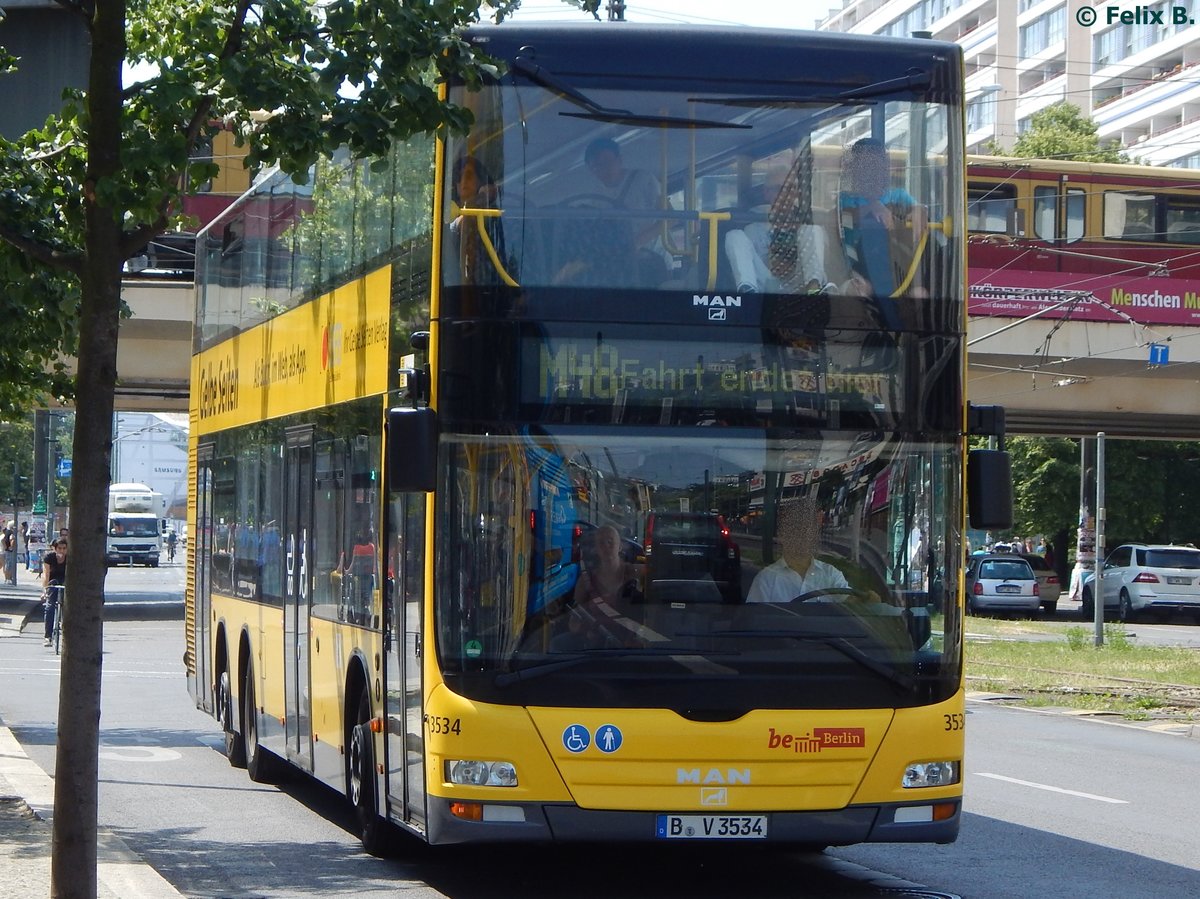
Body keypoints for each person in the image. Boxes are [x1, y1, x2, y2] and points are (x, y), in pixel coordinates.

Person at [558, 137, 672, 286]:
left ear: (619, 160)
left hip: (653, 259)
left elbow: (671, 217)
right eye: (597, 166)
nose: (604, 169)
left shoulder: (644, 179)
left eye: (607, 163)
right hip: (619, 262)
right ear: (591, 169)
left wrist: (636, 243)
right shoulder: (595, 195)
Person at [725, 161, 833, 295]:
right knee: (734, 235)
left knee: (813, 228)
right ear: (766, 192)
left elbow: (826, 260)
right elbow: (749, 260)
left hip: (799, 286)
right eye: (779, 188)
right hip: (766, 285)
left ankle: (815, 291)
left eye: (790, 188)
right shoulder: (753, 222)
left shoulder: (809, 220)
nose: (785, 194)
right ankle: (748, 293)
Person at [838, 137, 927, 298]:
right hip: (854, 269)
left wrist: (918, 211)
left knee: (920, 295)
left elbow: (918, 208)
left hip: (895, 272)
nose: (870, 172)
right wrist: (873, 206)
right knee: (856, 290)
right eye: (864, 166)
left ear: (884, 168)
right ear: (854, 170)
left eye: (875, 166)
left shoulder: (897, 195)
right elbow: (843, 215)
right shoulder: (846, 198)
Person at [747, 499, 851, 603]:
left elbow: (853, 605)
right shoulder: (765, 580)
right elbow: (755, 617)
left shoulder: (831, 575)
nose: (803, 536)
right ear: (782, 535)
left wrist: (864, 599)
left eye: (808, 530)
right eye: (796, 530)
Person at [447, 155, 508, 286]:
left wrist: (484, 197)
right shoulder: (451, 220)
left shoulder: (494, 217)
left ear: (481, 181)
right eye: (459, 177)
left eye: (469, 175)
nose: (463, 181)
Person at [41, 536, 67, 647]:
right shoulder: (49, 557)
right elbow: (46, 575)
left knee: (68, 606)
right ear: (55, 549)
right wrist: (45, 590)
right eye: (59, 548)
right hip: (53, 581)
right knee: (50, 607)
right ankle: (48, 637)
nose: (62, 551)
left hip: (66, 581)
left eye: (64, 548)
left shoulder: (70, 558)